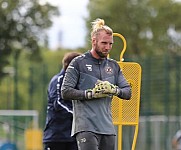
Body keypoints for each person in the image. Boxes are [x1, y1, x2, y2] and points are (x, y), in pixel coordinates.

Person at [61, 18, 131, 150]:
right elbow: (65, 91)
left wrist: (114, 90)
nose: (108, 47)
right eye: (104, 43)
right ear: (94, 41)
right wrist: (90, 94)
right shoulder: (78, 63)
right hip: (85, 127)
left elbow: (128, 92)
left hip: (108, 128)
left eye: (110, 44)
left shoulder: (114, 66)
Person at [43, 52, 81, 150]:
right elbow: (58, 103)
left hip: (73, 136)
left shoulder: (78, 82)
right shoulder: (58, 80)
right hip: (57, 136)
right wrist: (78, 114)